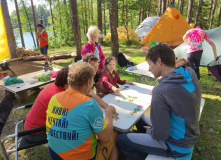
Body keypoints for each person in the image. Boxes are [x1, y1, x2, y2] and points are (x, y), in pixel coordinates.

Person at [116, 43, 201, 160]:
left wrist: (150, 132)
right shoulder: (189, 72)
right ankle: (146, 147)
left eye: (150, 64)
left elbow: (161, 134)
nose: (149, 68)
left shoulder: (161, 90)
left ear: (159, 61)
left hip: (176, 146)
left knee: (121, 140)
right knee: (139, 118)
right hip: (188, 131)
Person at [46, 62, 118, 160]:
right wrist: (109, 113)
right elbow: (106, 139)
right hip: (82, 157)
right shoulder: (90, 104)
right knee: (113, 133)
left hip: (55, 155)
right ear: (88, 82)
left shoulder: (54, 98)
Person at [24, 67, 69, 142]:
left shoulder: (55, 86)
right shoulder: (58, 96)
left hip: (30, 126)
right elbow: (65, 120)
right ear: (66, 83)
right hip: (35, 133)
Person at [83, 53, 119, 120]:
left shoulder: (95, 74)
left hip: (91, 98)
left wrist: (108, 91)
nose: (96, 69)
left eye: (97, 66)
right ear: (85, 66)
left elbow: (98, 85)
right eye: (93, 66)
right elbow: (91, 95)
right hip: (84, 103)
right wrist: (107, 108)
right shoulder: (83, 78)